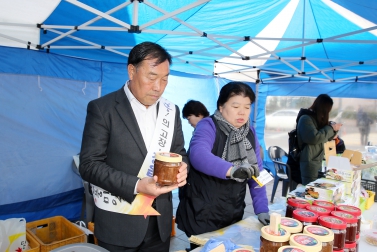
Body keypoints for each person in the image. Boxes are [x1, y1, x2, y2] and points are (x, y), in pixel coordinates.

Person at [79, 41, 188, 252]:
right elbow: (89, 164)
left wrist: (183, 167)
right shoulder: (103, 109)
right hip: (119, 223)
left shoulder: (171, 111)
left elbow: (180, 153)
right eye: (152, 77)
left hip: (160, 224)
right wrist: (137, 185)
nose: (158, 87)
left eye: (165, 79)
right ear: (131, 71)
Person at [176, 82, 270, 246]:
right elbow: (198, 154)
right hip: (203, 210)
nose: (242, 112)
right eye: (235, 106)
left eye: (247, 107)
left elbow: (257, 172)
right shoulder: (208, 125)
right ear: (221, 106)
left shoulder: (250, 133)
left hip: (232, 209)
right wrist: (232, 170)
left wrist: (262, 208)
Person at [293, 94, 342, 185]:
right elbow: (314, 138)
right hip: (309, 161)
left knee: (318, 189)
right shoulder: (305, 118)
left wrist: (334, 129)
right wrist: (331, 129)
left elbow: (325, 137)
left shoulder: (317, 119)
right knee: (310, 189)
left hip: (318, 159)